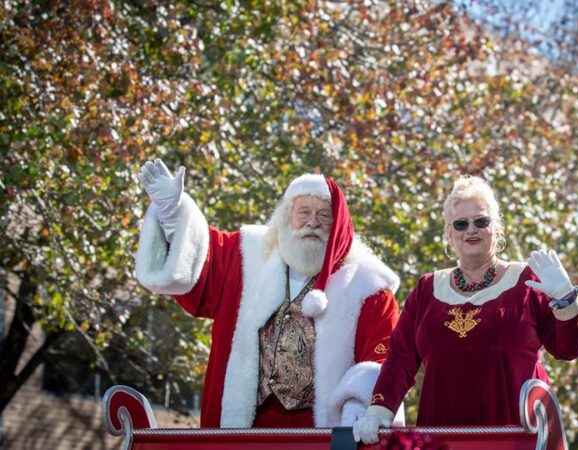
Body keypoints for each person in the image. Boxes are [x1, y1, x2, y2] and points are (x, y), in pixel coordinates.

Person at [134, 159, 404, 429]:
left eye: (324, 215)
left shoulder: (366, 287)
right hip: (246, 433)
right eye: (304, 212)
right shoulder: (246, 256)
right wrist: (172, 214)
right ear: (287, 218)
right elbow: (198, 262)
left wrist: (360, 404)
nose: (312, 222)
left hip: (317, 438)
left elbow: (384, 359)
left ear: (338, 225)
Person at [353, 176, 578, 444]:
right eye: (461, 224)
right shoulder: (427, 289)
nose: (471, 230)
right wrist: (379, 410)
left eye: (481, 221)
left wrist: (566, 299)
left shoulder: (528, 282)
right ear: (449, 234)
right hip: (442, 439)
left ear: (497, 228)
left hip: (516, 438)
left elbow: (571, 349)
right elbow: (400, 360)